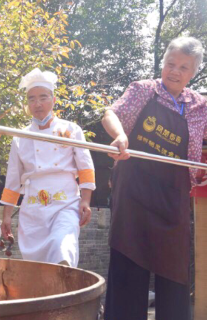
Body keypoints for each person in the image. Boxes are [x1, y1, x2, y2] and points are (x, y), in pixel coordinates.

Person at [101, 37, 207, 320]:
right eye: (171, 64)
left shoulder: (200, 106)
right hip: (134, 189)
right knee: (128, 263)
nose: (175, 71)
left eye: (183, 67)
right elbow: (111, 114)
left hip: (173, 196)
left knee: (174, 270)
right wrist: (120, 135)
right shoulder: (143, 90)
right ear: (163, 63)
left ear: (193, 72)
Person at [0, 68, 96, 267]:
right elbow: (13, 179)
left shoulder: (71, 130)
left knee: (62, 245)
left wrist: (85, 200)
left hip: (66, 203)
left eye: (43, 97)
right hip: (33, 208)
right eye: (31, 99)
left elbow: (85, 167)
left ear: (53, 99)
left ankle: (66, 285)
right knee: (38, 266)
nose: (37, 104)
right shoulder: (20, 137)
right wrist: (7, 215)